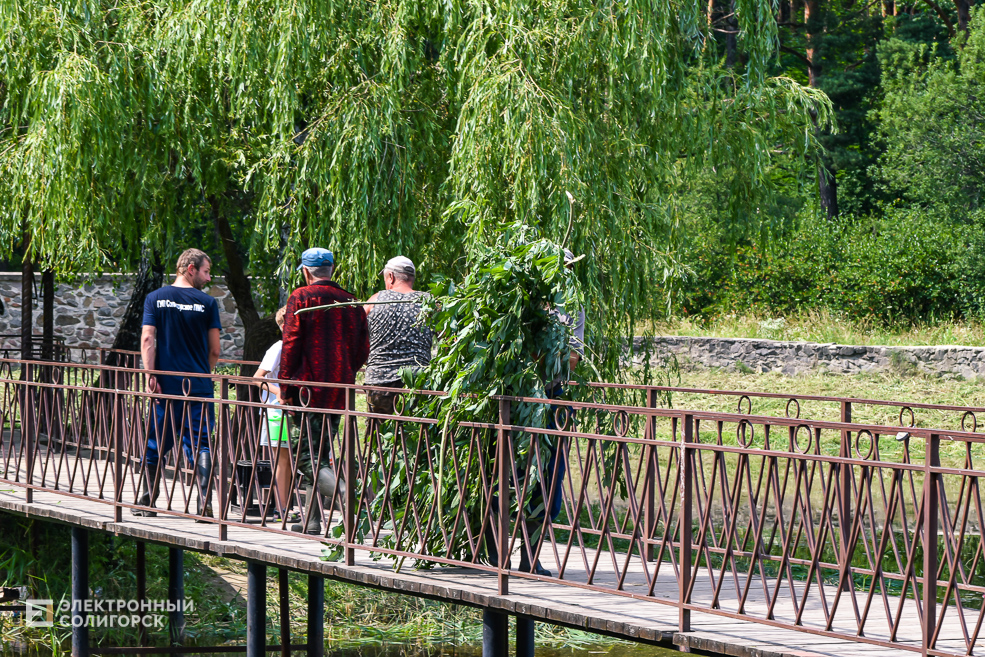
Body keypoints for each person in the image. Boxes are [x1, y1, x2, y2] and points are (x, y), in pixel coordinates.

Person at [279, 248, 370, 534]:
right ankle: (313, 521)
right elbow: (362, 349)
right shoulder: (352, 302)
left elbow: (290, 343)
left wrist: (285, 386)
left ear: (306, 272)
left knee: (305, 456)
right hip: (338, 389)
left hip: (307, 390)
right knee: (319, 454)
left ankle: (345, 494)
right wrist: (346, 373)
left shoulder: (301, 297)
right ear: (333, 269)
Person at [135, 248, 222, 519]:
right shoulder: (207, 304)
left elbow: (148, 339)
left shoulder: (155, 298)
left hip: (166, 386)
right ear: (191, 268)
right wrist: (202, 373)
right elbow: (216, 350)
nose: (208, 278)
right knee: (202, 443)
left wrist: (151, 375)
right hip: (198, 385)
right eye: (206, 271)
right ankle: (203, 504)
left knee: (156, 441)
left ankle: (148, 499)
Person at [520, 248, 586, 575]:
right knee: (509, 474)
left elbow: (573, 358)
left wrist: (549, 347)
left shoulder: (571, 308)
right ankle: (488, 551)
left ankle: (529, 557)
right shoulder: (522, 302)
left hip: (552, 398)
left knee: (548, 477)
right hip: (517, 399)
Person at [363, 256, 432, 415]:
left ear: (391, 277)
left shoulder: (375, 301)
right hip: (417, 382)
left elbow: (358, 338)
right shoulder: (429, 302)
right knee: (415, 434)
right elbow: (448, 340)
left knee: (377, 434)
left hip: (379, 382)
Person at [252, 306, 296, 523]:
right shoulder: (278, 347)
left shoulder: (299, 347)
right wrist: (279, 392)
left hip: (291, 410)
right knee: (281, 460)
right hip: (276, 412)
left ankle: (285, 506)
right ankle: (281, 508)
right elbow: (258, 378)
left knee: (288, 460)